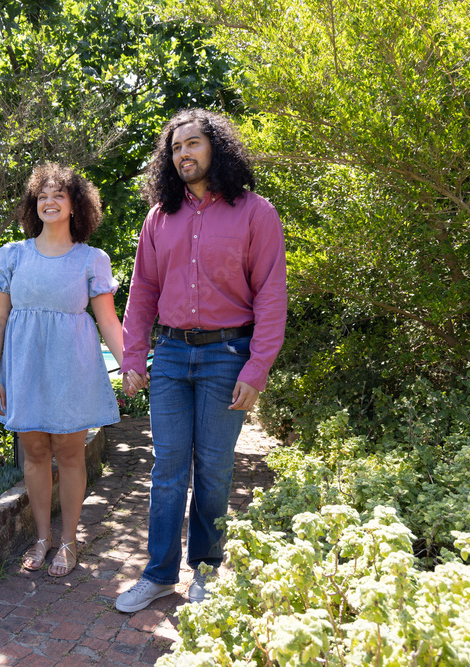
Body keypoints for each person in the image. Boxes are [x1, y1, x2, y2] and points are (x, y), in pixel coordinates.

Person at [115, 109, 287, 612]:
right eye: (175, 148)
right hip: (170, 355)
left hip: (226, 356)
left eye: (193, 143)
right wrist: (133, 355)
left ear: (216, 148)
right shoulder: (159, 217)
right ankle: (158, 574)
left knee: (213, 469)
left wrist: (257, 368)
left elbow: (271, 295)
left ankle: (207, 570)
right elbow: (143, 291)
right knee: (167, 468)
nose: (183, 154)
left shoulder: (256, 213)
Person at [0, 163, 124, 577]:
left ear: (75, 205)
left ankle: (69, 540)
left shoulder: (92, 259)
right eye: (42, 195)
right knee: (34, 452)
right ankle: (43, 537)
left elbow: (108, 321)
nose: (49, 201)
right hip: (24, 369)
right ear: (34, 204)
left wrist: (131, 364)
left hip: (72, 369)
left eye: (58, 195)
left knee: (69, 453)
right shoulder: (13, 254)